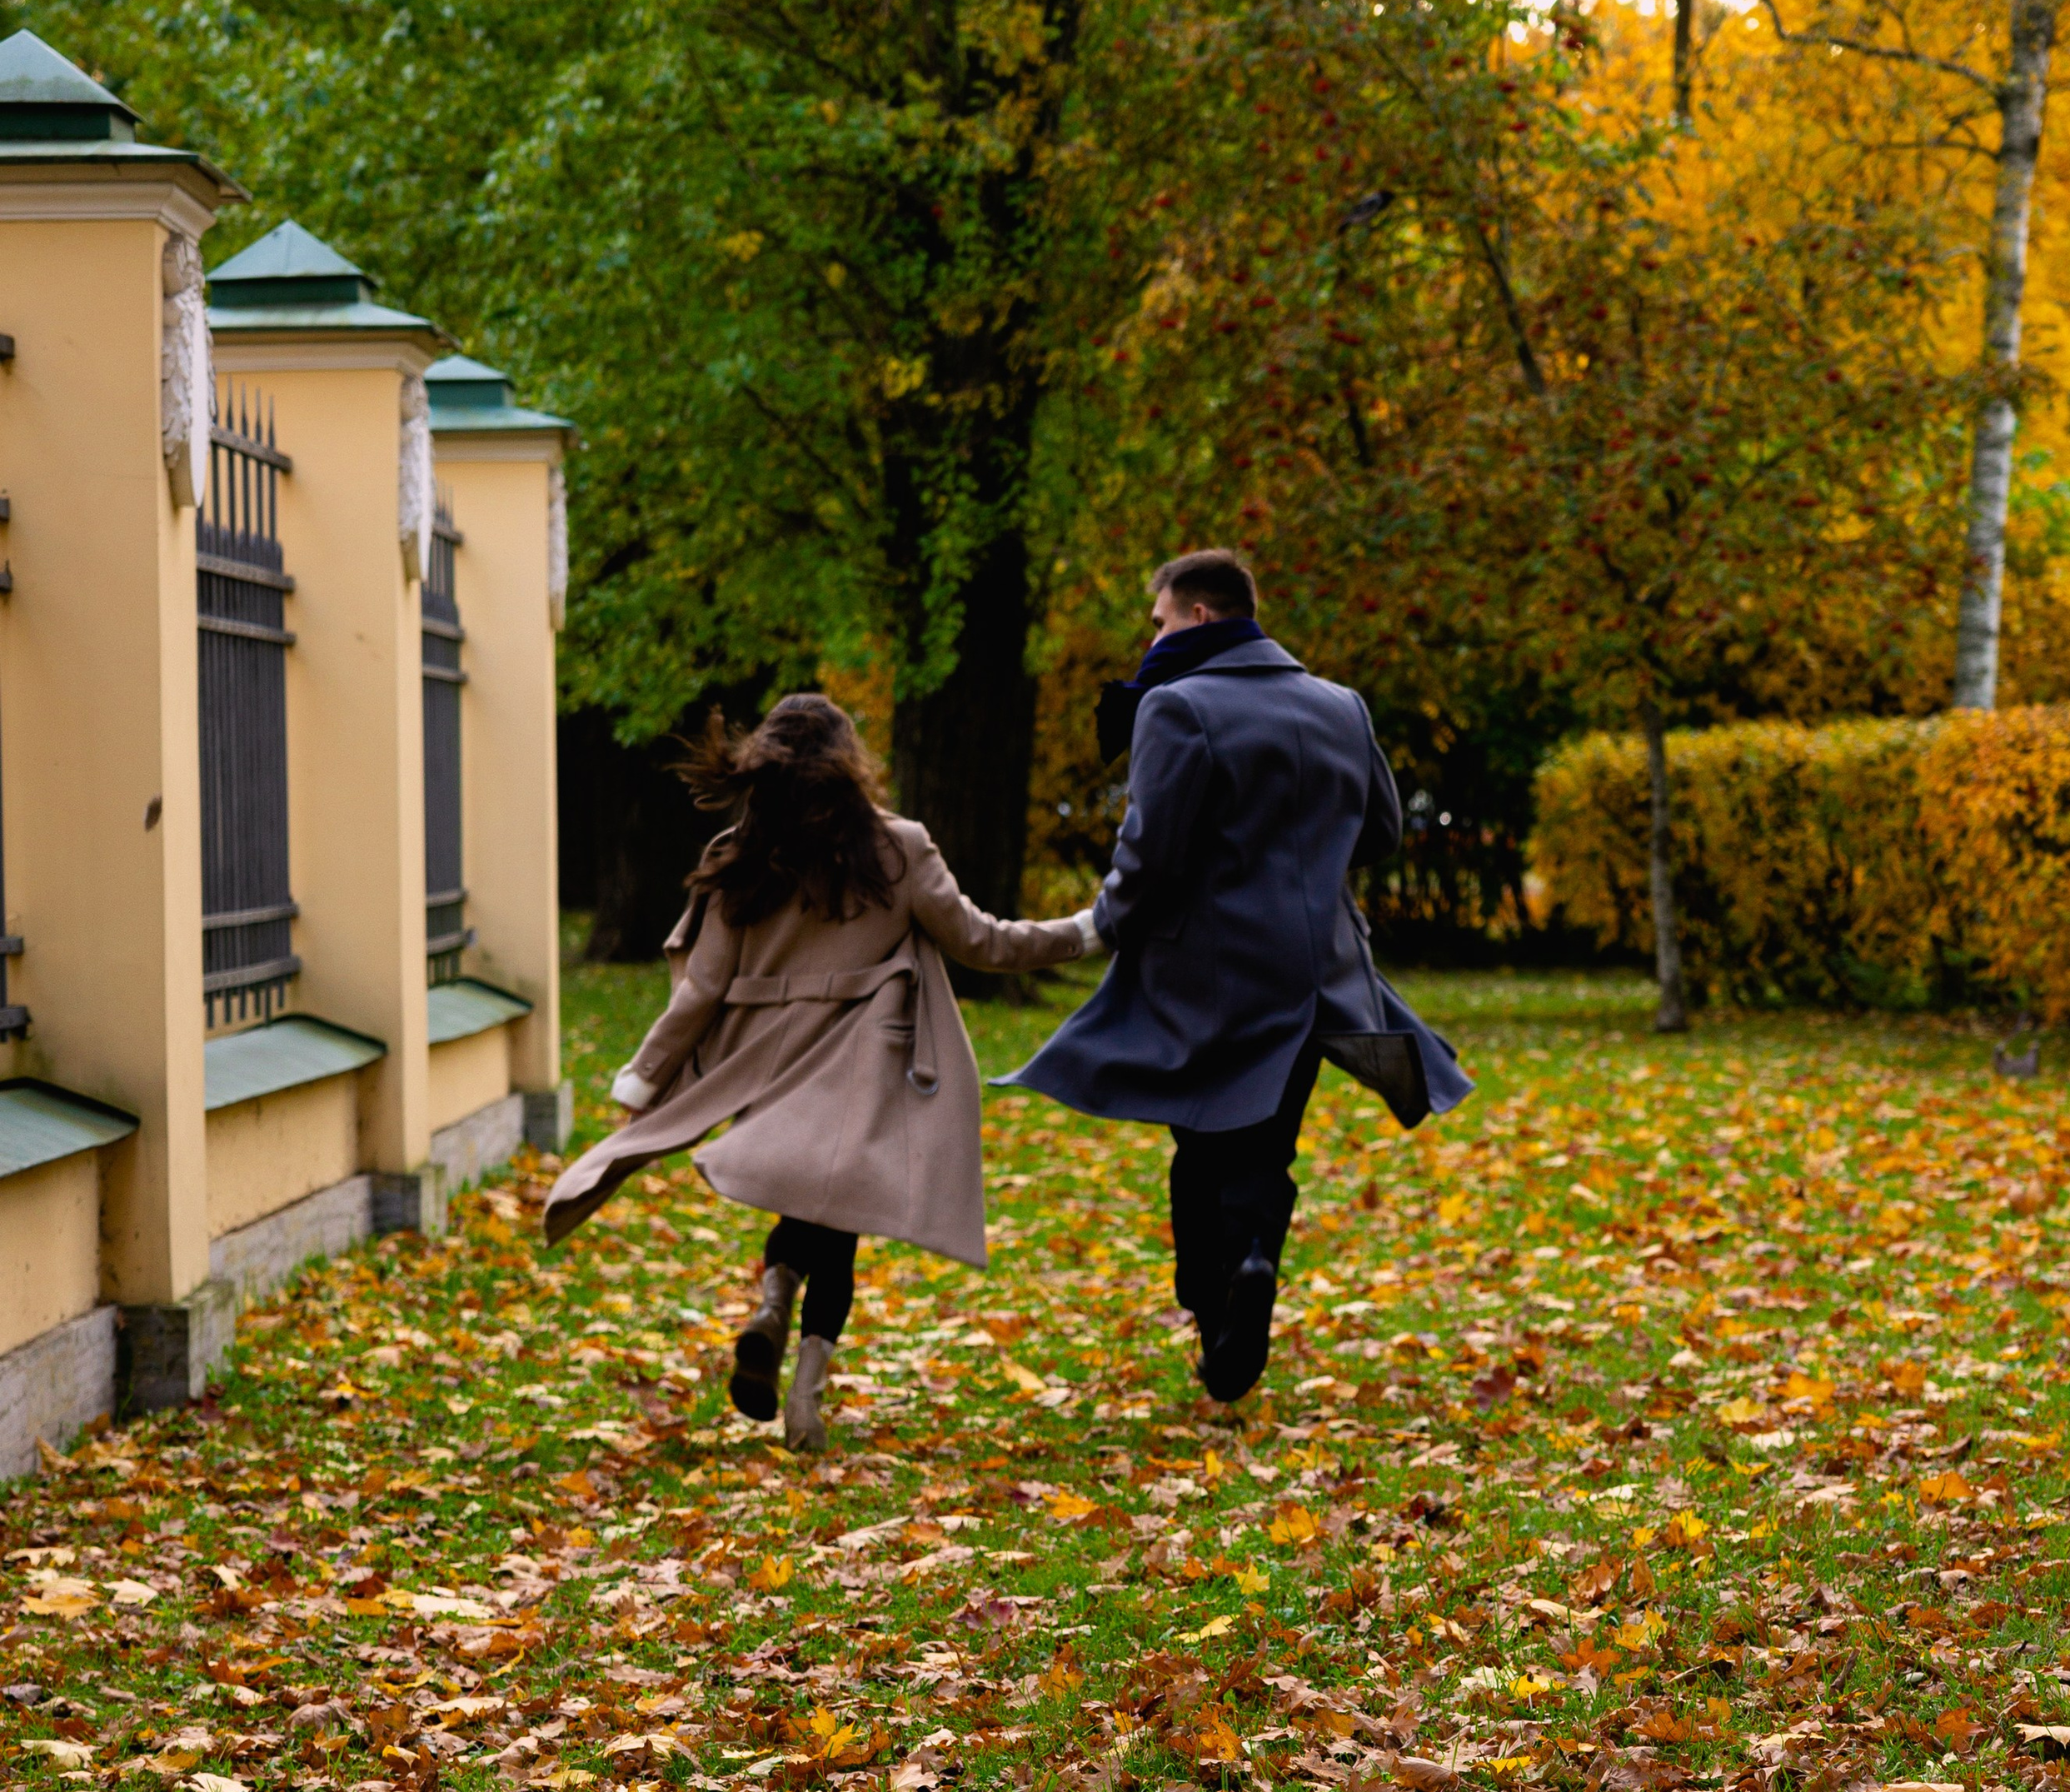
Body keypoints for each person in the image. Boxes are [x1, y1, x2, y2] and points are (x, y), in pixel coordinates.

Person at [542, 695, 1095, 1450]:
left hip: (765, 1063)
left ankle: (773, 1302)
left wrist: (648, 1083)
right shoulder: (898, 847)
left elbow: (702, 988)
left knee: (810, 1205)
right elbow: (981, 943)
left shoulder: (741, 853)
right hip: (862, 1060)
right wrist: (1085, 931)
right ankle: (806, 1391)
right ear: (848, 762)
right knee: (840, 1219)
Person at [1003, 549, 1471, 1403]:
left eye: (1158, 623)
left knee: (1198, 1136)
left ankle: (1207, 1297)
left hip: (1202, 969)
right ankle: (1254, 1258)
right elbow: (1381, 831)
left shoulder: (1175, 708)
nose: (1150, 642)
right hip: (1317, 967)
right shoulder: (1340, 704)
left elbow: (1148, 847)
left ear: (1200, 618)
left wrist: (1100, 925)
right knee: (1268, 1140)